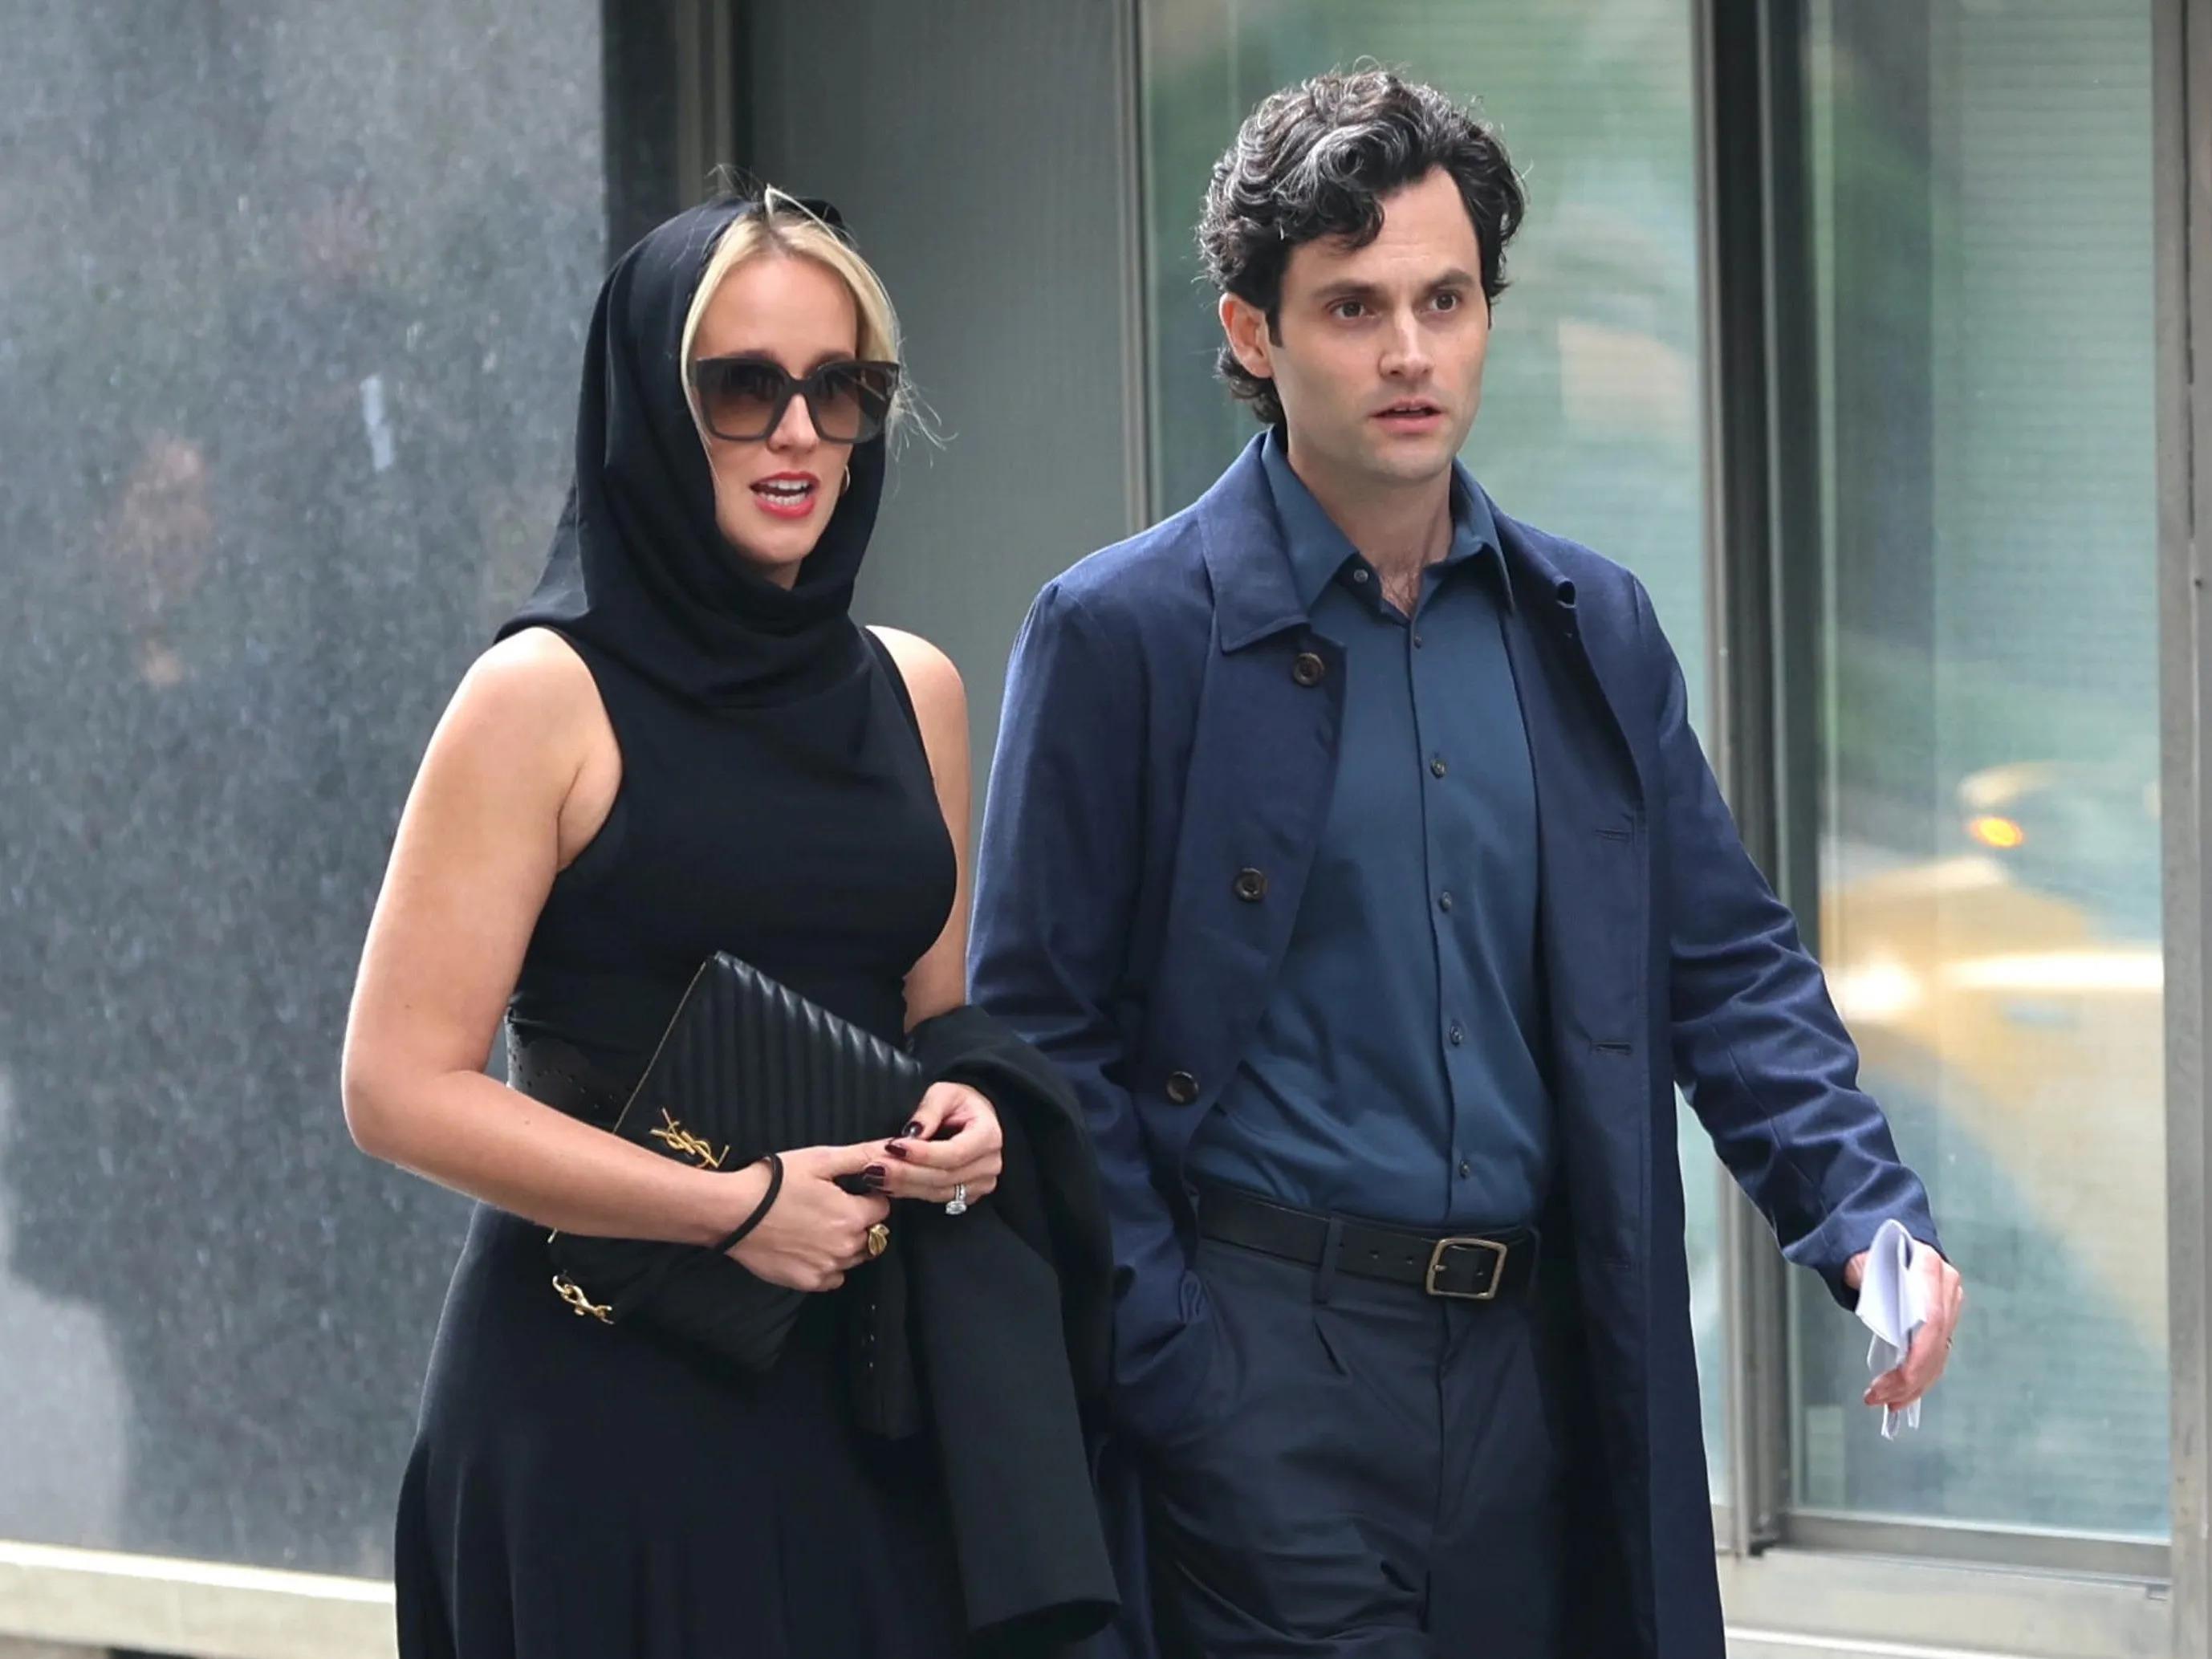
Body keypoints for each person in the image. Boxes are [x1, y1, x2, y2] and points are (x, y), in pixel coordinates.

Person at [970, 69, 1966, 1659]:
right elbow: (1042, 1035)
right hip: (1262, 1372)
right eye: (1352, 307)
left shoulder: (1591, 629)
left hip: (1540, 1371)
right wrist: (1178, 1363)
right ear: (1252, 334)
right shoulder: (1122, 634)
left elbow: (1724, 967)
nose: (1410, 352)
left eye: (1445, 299)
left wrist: (1859, 1211)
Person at [343, 190, 1108, 1657]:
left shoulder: (916, 690)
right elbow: (395, 1087)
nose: (798, 432)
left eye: (842, 386)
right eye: (742, 387)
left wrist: (974, 1112)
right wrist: (736, 1207)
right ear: (650, 402)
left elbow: (932, 1016)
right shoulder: (540, 696)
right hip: (597, 1393)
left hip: (866, 1391)